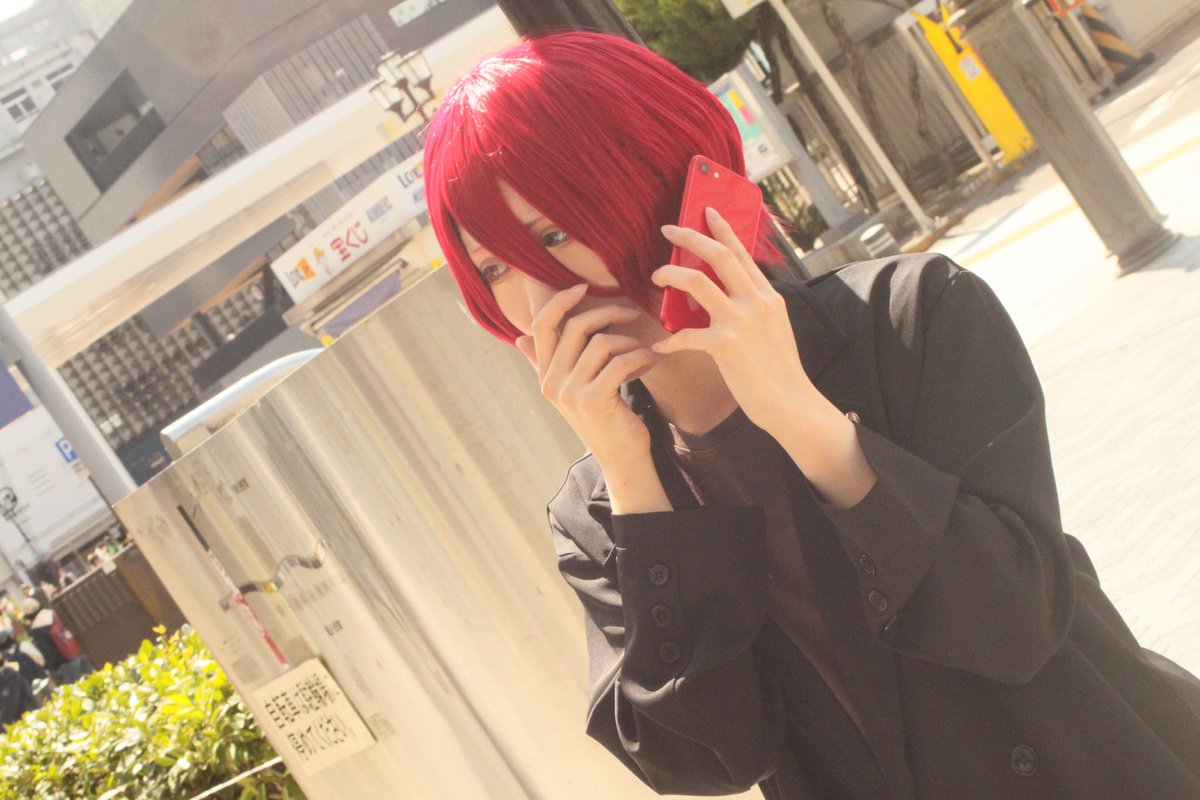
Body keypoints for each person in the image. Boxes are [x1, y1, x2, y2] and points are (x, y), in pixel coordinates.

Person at [422, 31, 1200, 800]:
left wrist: (798, 414)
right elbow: (707, 761)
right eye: (493, 268)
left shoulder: (908, 321)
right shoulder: (599, 510)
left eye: (552, 234)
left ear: (658, 179)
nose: (539, 300)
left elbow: (1016, 619)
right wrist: (634, 484)